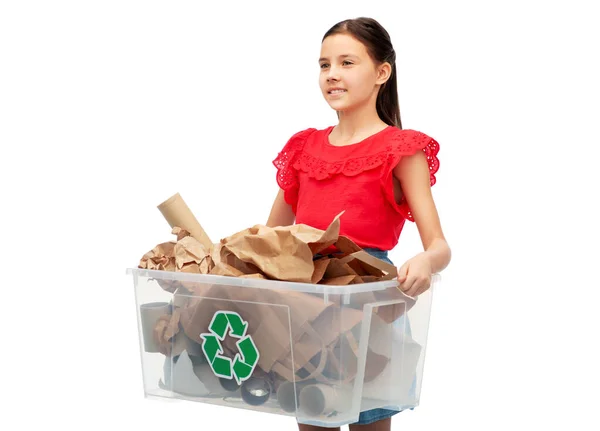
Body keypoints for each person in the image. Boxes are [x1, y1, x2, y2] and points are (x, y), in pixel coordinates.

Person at [266, 17, 451, 431]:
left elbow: (439, 246)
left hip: (368, 302)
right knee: (313, 418)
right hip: (305, 303)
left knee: (369, 421)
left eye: (347, 62)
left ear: (381, 72)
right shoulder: (303, 148)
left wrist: (424, 261)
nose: (332, 74)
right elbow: (269, 241)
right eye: (324, 64)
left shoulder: (401, 149)